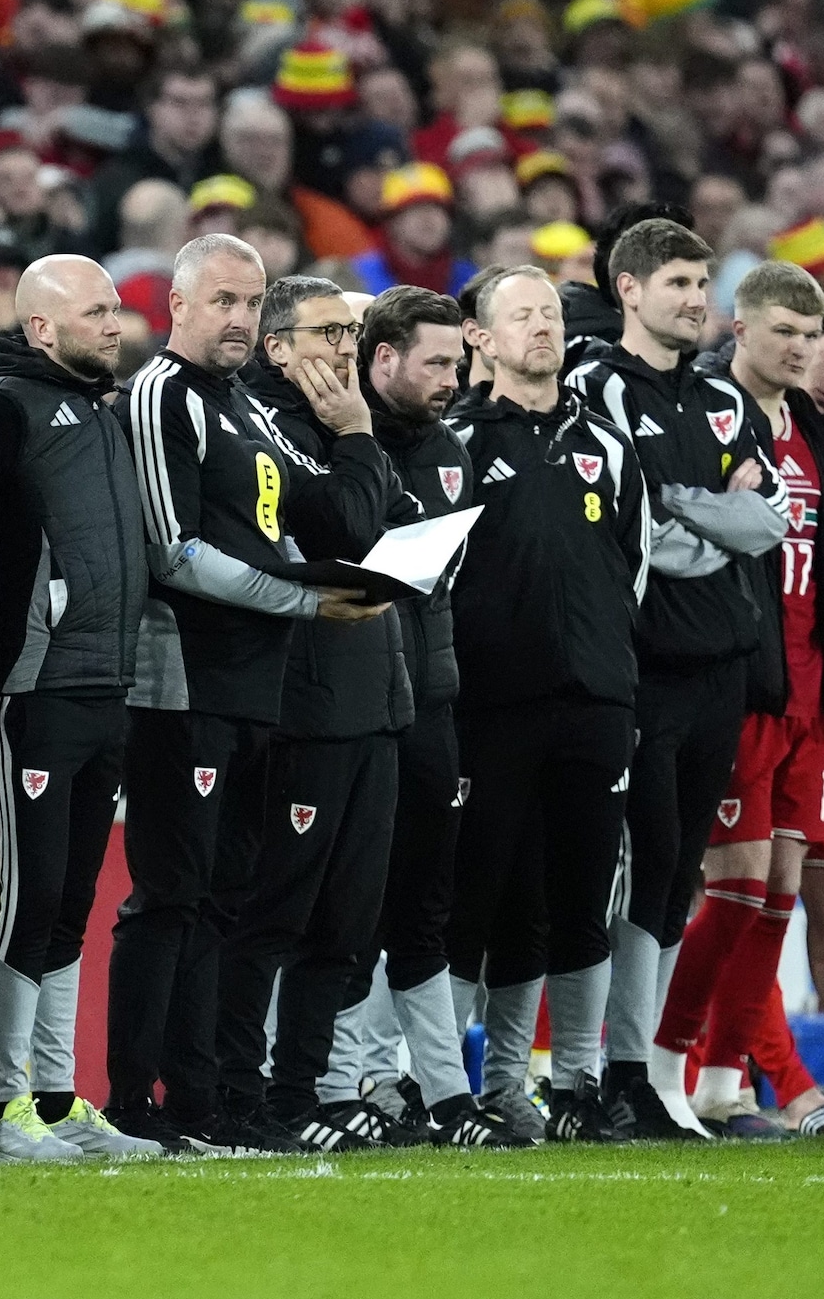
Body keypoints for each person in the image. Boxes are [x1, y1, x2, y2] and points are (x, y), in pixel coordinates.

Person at [107, 235, 383, 1153]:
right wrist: (303, 598)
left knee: (224, 897)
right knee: (170, 895)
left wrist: (355, 431)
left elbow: (335, 517)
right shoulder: (161, 393)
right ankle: (133, 1102)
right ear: (178, 304)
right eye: (222, 300)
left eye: (252, 301)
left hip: (255, 681)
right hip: (182, 681)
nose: (238, 318)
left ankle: (202, 1101)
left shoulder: (247, 408)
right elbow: (173, 551)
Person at [565, 219, 787, 1140]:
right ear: (628, 288)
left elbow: (769, 518)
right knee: (635, 867)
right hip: (643, 665)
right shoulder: (596, 386)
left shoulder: (722, 395)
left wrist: (698, 516)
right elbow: (635, 525)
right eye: (680, 284)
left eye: (702, 283)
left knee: (674, 874)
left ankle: (644, 1072)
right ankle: (596, 1071)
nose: (699, 299)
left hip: (721, 668)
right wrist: (713, 518)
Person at [211, 275, 415, 1152]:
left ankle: (300, 1095)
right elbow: (350, 531)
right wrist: (358, 436)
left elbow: (400, 519)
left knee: (346, 926)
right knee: (274, 915)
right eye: (328, 332)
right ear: (276, 346)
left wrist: (359, 444)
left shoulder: (341, 426)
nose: (344, 347)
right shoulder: (268, 429)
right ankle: (238, 1091)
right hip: (302, 704)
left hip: (375, 700)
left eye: (351, 333)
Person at [444, 265, 648, 1143]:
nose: (544, 327)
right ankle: (443, 1086)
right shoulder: (455, 440)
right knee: (478, 896)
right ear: (481, 338)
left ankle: (569, 1085)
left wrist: (607, 659)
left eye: (552, 315)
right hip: (489, 705)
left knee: (581, 898)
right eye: (523, 315)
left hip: (595, 701)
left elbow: (633, 566)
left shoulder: (607, 440)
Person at [0, 255, 155, 1162]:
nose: (115, 324)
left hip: (106, 683)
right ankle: (6, 1107)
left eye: (115, 309)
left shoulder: (102, 411)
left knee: (72, 897)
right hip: (34, 687)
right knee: (30, 893)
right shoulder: (0, 406)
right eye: (95, 312)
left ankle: (56, 1094)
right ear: (41, 327)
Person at [328, 285, 529, 1148]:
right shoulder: (330, 437)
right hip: (351, 701)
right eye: (438, 362)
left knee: (425, 908)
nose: (454, 378)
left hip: (431, 701)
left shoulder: (450, 447)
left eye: (458, 360)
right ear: (383, 358)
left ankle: (445, 1094)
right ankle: (338, 1083)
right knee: (344, 907)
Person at [655, 261, 824, 1137]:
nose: (799, 348)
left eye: (811, 334)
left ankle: (725, 1082)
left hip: (809, 690)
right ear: (741, 329)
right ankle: (663, 1060)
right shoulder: (711, 418)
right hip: (742, 680)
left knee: (780, 890)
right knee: (734, 888)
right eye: (784, 332)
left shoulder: (811, 430)